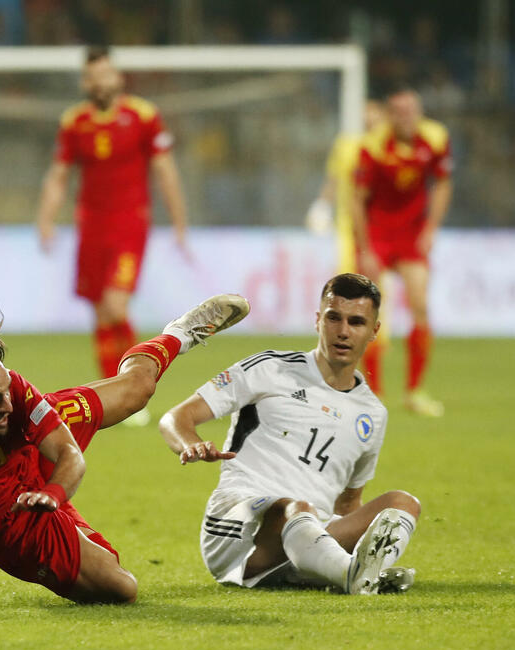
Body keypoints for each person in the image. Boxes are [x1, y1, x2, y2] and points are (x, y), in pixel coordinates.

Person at [0, 293, 249, 614]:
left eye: (6, 390)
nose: (7, 403)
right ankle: (71, 532)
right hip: (12, 516)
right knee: (120, 586)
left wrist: (55, 494)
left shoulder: (15, 397)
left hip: (33, 451)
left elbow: (68, 454)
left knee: (136, 390)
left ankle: (182, 332)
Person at [159, 273, 421, 595]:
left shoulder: (372, 414)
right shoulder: (271, 368)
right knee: (295, 508)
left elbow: (349, 503)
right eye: (333, 318)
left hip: (310, 535)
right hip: (239, 528)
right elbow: (176, 417)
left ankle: (337, 569)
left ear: (374, 332)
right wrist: (191, 444)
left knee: (402, 503)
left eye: (356, 322)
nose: (342, 331)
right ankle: (353, 575)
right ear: (317, 321)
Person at [35, 45, 189, 383]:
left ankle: (138, 382)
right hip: (91, 226)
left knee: (116, 306)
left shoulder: (142, 116)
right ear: (85, 83)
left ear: (117, 77)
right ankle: (112, 391)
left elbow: (165, 170)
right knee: (102, 313)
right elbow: (59, 176)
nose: (100, 82)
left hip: (130, 224)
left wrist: (179, 222)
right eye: (93, 77)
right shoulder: (75, 122)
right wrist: (45, 219)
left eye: (106, 74)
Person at [350, 85, 453, 416]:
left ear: (419, 111)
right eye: (400, 112)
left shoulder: (435, 139)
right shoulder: (373, 146)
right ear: (391, 116)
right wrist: (364, 247)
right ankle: (373, 390)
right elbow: (357, 199)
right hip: (378, 234)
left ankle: (415, 391)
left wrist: (431, 228)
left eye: (412, 111)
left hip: (411, 236)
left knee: (420, 305)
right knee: (372, 311)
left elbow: (443, 183)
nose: (407, 118)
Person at [305, 99, 387, 274]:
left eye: (374, 111)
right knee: (348, 275)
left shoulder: (390, 148)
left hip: (380, 222)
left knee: (376, 277)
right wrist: (321, 206)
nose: (369, 116)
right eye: (366, 111)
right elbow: (334, 179)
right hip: (348, 222)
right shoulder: (346, 144)